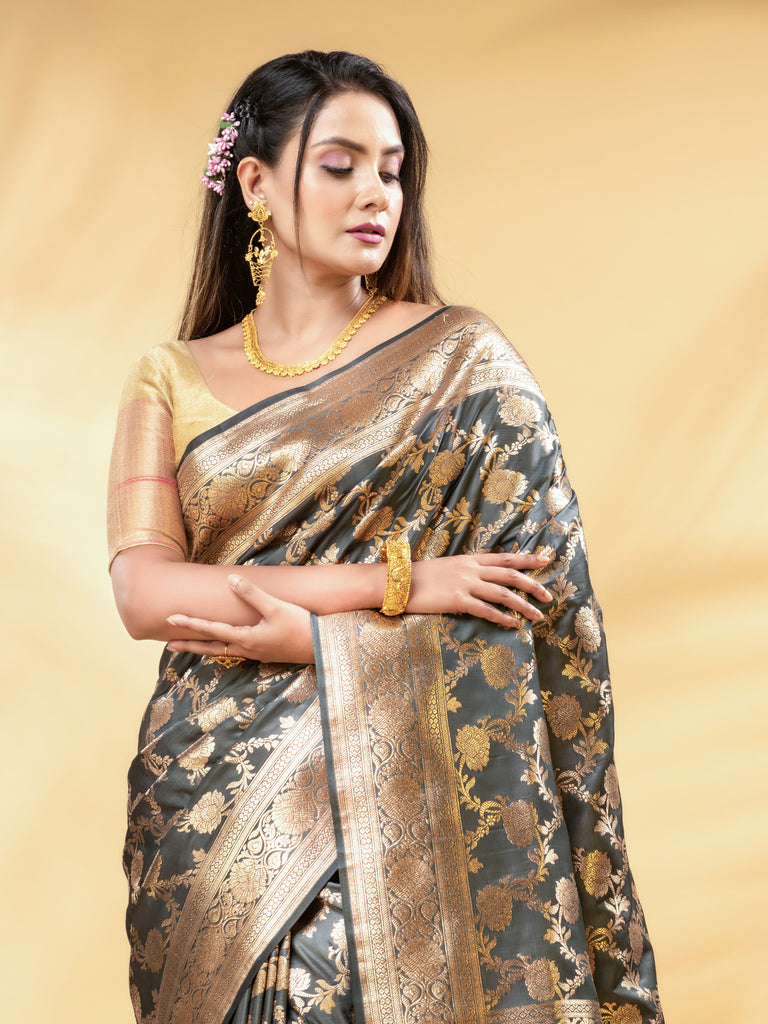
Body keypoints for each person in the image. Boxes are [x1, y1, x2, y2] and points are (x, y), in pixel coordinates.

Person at [108, 50, 664, 1024]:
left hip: (404, 803)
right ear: (256, 185)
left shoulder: (464, 365)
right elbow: (147, 595)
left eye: (393, 171)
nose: (376, 193)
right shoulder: (171, 377)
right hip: (206, 804)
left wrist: (312, 640)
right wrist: (399, 586)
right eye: (340, 165)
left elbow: (543, 615)